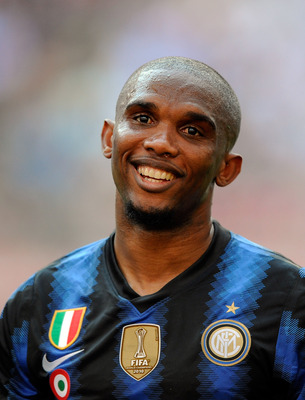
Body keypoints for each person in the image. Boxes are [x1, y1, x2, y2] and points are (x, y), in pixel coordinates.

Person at [0, 56, 304, 400]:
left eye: (192, 131)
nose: (160, 143)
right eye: (142, 118)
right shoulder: (40, 302)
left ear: (227, 168)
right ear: (109, 139)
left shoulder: (286, 301)